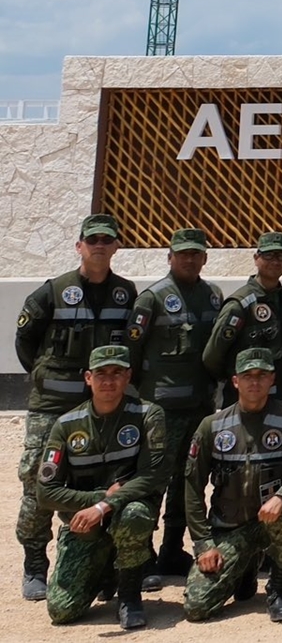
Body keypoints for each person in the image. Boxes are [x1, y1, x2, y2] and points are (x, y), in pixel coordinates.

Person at [14, 213, 137, 602]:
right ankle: (35, 564)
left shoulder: (126, 293)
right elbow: (25, 342)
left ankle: (104, 564)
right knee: (40, 478)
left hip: (103, 404)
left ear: (116, 246)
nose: (99, 245)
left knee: (105, 478)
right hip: (52, 404)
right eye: (93, 239)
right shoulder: (52, 292)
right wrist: (47, 378)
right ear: (79, 245)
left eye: (107, 239)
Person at [180, 348, 282, 623]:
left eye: (261, 375)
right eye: (247, 376)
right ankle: (244, 566)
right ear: (235, 381)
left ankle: (278, 588)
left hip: (270, 520)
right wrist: (202, 544)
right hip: (229, 528)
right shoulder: (212, 426)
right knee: (197, 608)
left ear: (272, 379)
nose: (254, 382)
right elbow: (192, 487)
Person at [38, 345, 166, 629]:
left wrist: (106, 505)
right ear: (87, 378)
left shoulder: (147, 415)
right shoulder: (66, 425)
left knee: (133, 514)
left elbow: (154, 475)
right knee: (62, 611)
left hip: (127, 514)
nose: (108, 380)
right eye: (101, 373)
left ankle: (130, 596)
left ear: (128, 376)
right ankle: (106, 570)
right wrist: (96, 499)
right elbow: (45, 492)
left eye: (116, 372)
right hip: (85, 525)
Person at [126, 226, 226, 587]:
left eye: (195, 253)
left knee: (189, 482)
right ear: (169, 257)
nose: (188, 258)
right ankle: (144, 557)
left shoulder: (213, 296)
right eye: (182, 253)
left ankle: (172, 549)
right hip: (161, 409)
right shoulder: (151, 299)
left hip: (199, 408)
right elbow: (132, 353)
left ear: (204, 258)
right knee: (153, 481)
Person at [203, 233, 282, 404]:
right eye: (268, 255)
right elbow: (212, 356)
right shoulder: (240, 304)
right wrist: (239, 382)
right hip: (248, 401)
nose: (275, 261)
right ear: (256, 258)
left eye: (281, 256)